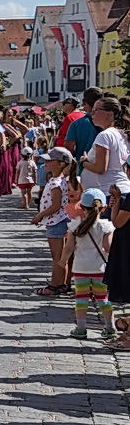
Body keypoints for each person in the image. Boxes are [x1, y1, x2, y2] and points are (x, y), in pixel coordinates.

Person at [33, 148, 80, 297]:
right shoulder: (58, 181)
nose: (46, 163)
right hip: (57, 221)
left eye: (50, 160)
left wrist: (40, 215)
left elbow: (56, 205)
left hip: (56, 222)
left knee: (57, 258)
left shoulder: (56, 183)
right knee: (61, 257)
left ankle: (54, 286)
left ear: (60, 164)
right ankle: (62, 284)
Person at [68, 188, 115, 340]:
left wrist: (62, 261)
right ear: (104, 208)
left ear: (81, 207)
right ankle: (110, 327)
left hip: (80, 268)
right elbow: (107, 248)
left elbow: (69, 247)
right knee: (103, 299)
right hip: (100, 268)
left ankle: (81, 328)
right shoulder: (106, 227)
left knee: (81, 299)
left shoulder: (75, 226)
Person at [78, 96, 130, 215]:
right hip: (120, 190)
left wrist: (84, 162)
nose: (92, 113)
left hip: (108, 194)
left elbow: (100, 168)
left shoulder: (105, 135)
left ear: (109, 114)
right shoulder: (122, 133)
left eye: (96, 110)